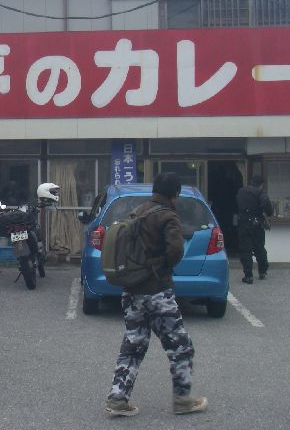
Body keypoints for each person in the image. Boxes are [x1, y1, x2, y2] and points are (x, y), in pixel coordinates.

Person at [105, 172, 207, 417]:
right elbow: (176, 251)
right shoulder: (168, 216)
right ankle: (182, 400)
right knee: (181, 346)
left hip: (131, 291)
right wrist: (161, 266)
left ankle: (117, 399)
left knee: (133, 345)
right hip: (157, 292)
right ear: (175, 194)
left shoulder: (138, 212)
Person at [236, 174, 274, 284]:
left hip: (243, 223)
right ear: (261, 184)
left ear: (251, 182)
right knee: (259, 248)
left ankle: (248, 276)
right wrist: (267, 213)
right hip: (256, 224)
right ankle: (262, 271)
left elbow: (238, 203)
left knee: (245, 250)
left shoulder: (241, 191)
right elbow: (267, 207)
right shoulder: (260, 192)